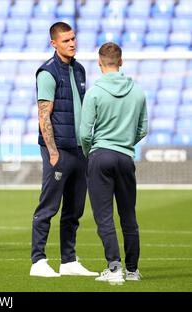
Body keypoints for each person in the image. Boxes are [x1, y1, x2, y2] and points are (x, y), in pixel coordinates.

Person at [30, 22, 98, 277]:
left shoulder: (79, 69)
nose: (72, 43)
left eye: (73, 39)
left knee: (74, 209)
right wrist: (53, 151)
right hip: (58, 151)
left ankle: (68, 261)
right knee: (48, 207)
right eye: (66, 40)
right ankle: (38, 261)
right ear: (54, 43)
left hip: (80, 150)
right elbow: (43, 115)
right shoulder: (47, 72)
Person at [80, 42, 148, 284]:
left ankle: (114, 267)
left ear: (99, 63)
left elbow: (85, 133)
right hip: (125, 156)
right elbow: (143, 128)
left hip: (101, 155)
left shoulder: (95, 92)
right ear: (121, 61)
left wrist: (91, 153)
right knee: (128, 215)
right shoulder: (138, 91)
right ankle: (132, 270)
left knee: (104, 216)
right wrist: (126, 141)